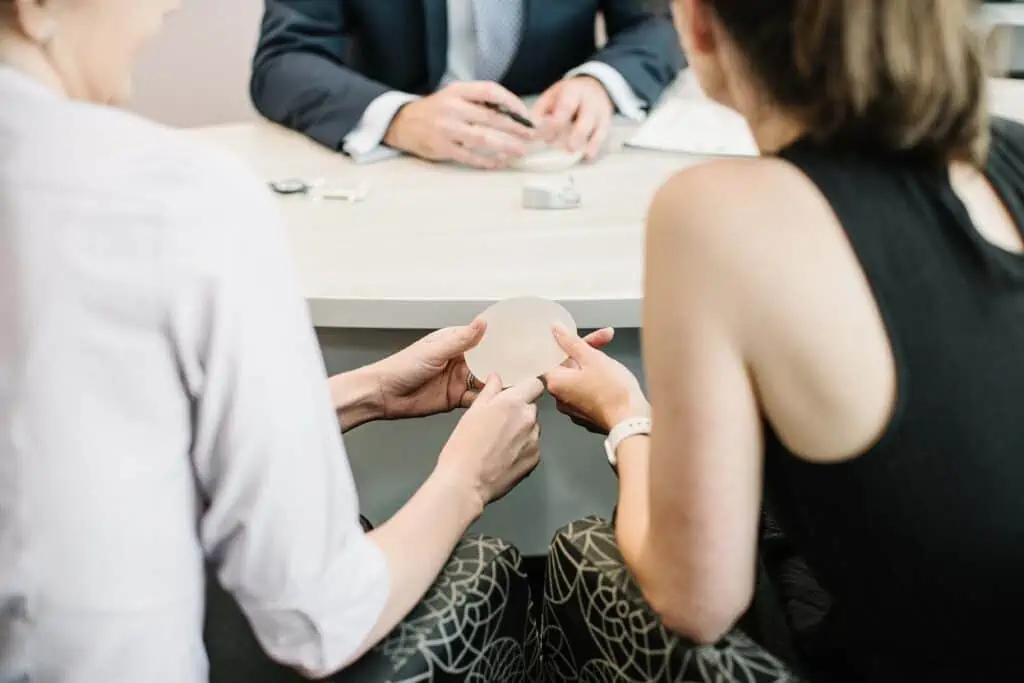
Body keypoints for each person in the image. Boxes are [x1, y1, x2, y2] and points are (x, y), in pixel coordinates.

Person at [0, 0, 607, 680]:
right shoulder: (179, 202)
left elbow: (94, 442)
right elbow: (317, 619)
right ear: (36, 6)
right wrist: (468, 478)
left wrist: (365, 391)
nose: (168, 7)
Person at [544, 0, 1024, 680]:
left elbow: (697, 599)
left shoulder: (714, 216)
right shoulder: (1006, 150)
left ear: (700, 23)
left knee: (576, 551)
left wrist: (628, 419)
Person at [250, 0, 685, 168]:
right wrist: (398, 117)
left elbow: (655, 24)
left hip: (552, 160)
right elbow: (284, 59)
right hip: (398, 175)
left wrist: (599, 82)